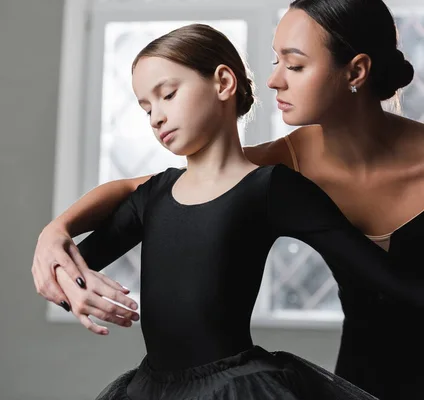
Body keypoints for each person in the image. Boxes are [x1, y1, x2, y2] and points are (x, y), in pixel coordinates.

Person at [54, 22, 424, 400]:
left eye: (167, 95)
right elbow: (71, 267)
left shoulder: (272, 188)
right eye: (146, 107)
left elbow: (385, 280)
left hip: (235, 390)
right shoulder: (154, 194)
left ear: (223, 83)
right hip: (150, 390)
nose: (155, 118)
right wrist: (67, 272)